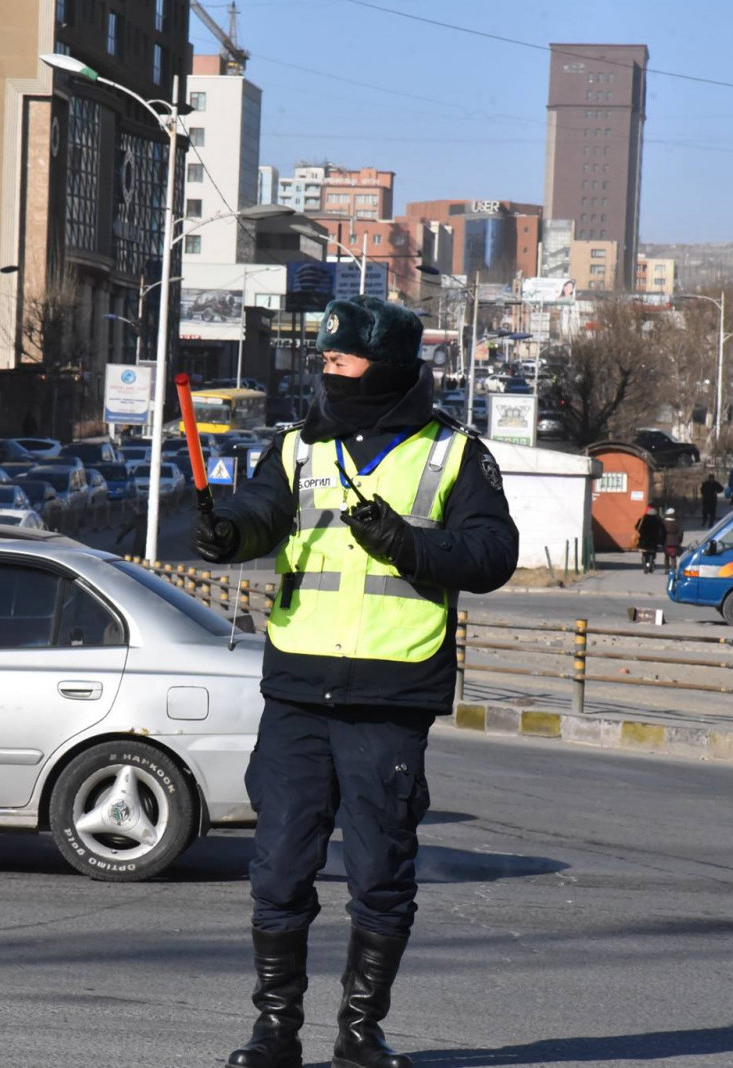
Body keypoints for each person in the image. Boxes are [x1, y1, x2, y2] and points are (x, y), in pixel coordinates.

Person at [193, 294, 519, 1068]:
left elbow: (492, 555)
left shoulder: (453, 454)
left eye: (341, 361)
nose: (327, 373)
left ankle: (360, 1035)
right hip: (298, 694)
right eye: (325, 362)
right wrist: (226, 532)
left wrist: (407, 545)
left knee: (380, 875)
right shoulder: (299, 447)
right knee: (278, 868)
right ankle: (274, 1033)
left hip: (389, 699)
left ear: (388, 366)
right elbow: (261, 514)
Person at [635, 504, 666, 573]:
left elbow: (636, 527)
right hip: (653, 541)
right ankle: (651, 563)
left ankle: (644, 565)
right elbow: (662, 531)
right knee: (652, 553)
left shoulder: (642, 519)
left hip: (644, 541)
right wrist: (661, 541)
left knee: (644, 553)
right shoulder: (658, 521)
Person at [662, 507, 684, 572]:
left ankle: (666, 568)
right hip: (675, 542)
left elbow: (661, 532)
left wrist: (661, 540)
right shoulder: (677, 523)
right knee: (673, 556)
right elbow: (680, 533)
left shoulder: (664, 523)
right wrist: (679, 540)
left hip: (666, 542)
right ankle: (673, 568)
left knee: (666, 556)